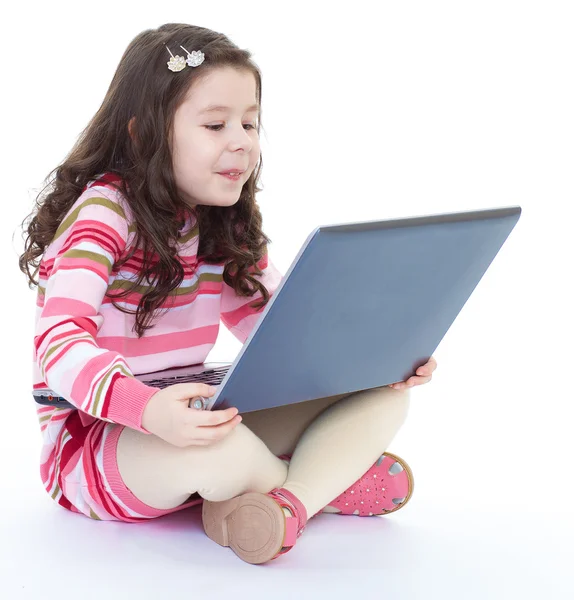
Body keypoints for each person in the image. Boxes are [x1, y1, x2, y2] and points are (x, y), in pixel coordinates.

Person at [19, 23, 437, 565]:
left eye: (250, 123)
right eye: (215, 124)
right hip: (97, 441)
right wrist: (147, 410)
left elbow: (279, 334)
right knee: (223, 446)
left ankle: (276, 504)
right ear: (145, 136)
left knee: (385, 396)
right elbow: (58, 345)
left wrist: (372, 360)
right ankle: (316, 487)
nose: (241, 140)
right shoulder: (104, 214)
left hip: (195, 409)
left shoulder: (222, 223)